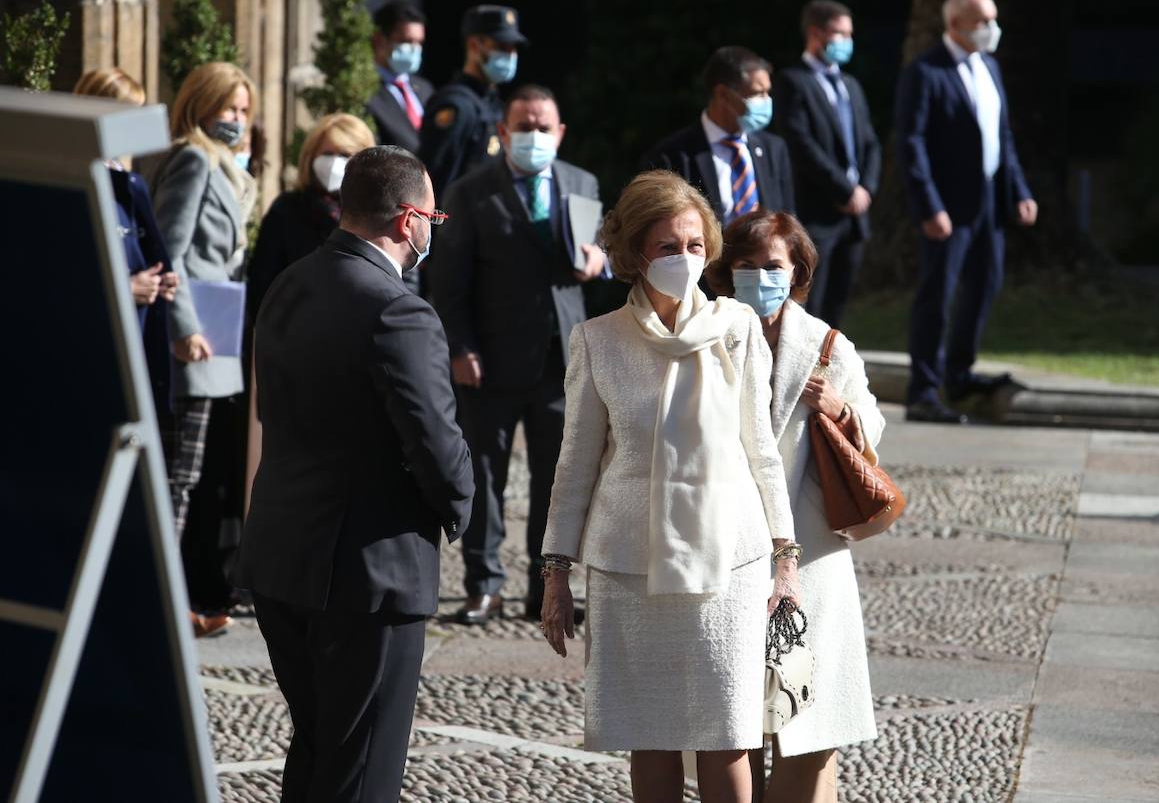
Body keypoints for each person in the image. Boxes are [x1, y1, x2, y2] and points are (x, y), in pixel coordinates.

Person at [540, 170, 799, 803]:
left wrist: (786, 558)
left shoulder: (736, 328)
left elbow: (761, 450)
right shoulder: (597, 341)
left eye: (692, 245)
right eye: (665, 247)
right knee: (648, 733)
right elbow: (574, 462)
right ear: (632, 254)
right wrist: (555, 572)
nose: (683, 259)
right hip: (630, 567)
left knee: (728, 734)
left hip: (730, 564)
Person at [237, 146, 475, 803]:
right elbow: (435, 439)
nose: (434, 228)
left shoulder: (290, 281)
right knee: (362, 770)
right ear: (407, 220)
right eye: (434, 215)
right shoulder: (399, 310)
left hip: (283, 555)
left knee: (317, 753)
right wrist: (460, 505)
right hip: (369, 573)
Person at [707, 211, 882, 802]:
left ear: (797, 271)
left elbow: (872, 430)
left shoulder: (827, 345)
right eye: (747, 266)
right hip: (732, 547)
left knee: (808, 717)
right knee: (735, 714)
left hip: (812, 555)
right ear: (727, 271)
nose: (761, 277)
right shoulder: (708, 335)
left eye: (773, 266)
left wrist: (838, 407)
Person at [430, 85, 607, 626]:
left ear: (560, 132)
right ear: (503, 132)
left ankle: (546, 585)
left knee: (559, 478)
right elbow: (448, 281)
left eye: (543, 126)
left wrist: (600, 259)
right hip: (491, 359)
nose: (534, 135)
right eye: (523, 126)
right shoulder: (469, 192)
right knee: (484, 474)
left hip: (561, 358)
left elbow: (606, 256)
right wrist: (459, 347)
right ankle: (484, 585)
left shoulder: (581, 182)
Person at [894, 0, 1038, 424]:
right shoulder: (926, 72)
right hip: (947, 207)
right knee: (938, 293)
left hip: (989, 203)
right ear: (955, 24)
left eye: (993, 20)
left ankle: (959, 372)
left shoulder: (989, 67)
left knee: (985, 284)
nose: (992, 30)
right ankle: (923, 388)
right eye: (982, 22)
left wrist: (1020, 192)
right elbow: (912, 143)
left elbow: (1002, 138)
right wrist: (929, 205)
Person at [152, 61, 260, 638]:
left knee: (191, 478)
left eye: (244, 112)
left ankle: (169, 596)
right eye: (229, 109)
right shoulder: (192, 159)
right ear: (201, 105)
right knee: (177, 478)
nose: (237, 120)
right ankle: (159, 601)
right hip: (192, 345)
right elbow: (169, 249)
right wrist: (183, 326)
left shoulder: (222, 165)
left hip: (215, 341)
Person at [73, 67, 179, 415]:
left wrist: (159, 282)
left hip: (133, 344)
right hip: (89, 351)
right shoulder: (74, 179)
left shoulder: (128, 182)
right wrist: (125, 288)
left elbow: (139, 251)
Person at [772, 0, 882, 328]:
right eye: (839, 33)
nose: (846, 41)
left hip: (854, 215)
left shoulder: (851, 86)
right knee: (809, 304)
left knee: (838, 304)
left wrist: (867, 189)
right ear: (816, 33)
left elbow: (870, 143)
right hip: (817, 213)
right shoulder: (793, 82)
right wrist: (844, 189)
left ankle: (829, 370)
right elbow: (800, 144)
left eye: (850, 34)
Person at [642, 46, 797, 231]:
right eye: (756, 93)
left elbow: (787, 220)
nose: (766, 101)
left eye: (767, 92)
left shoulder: (773, 148)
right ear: (723, 94)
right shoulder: (673, 156)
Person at [247, 113, 376, 319]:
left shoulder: (375, 213)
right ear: (311, 156)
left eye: (345, 154)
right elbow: (263, 281)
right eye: (327, 153)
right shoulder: (287, 209)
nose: (334, 163)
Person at [419, 4, 527, 191]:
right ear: (474, 45)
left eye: (513, 48)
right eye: (501, 46)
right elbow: (436, 179)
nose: (510, 55)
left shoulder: (494, 104)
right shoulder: (456, 105)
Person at [365, 0, 433, 154]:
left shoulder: (424, 89)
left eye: (419, 42)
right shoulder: (364, 91)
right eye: (406, 41)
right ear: (378, 39)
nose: (414, 49)